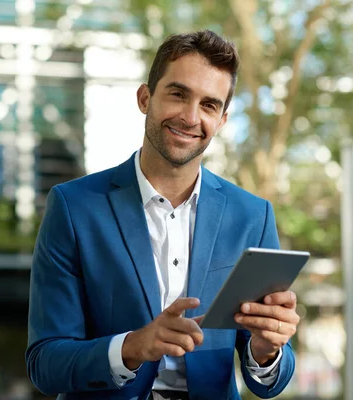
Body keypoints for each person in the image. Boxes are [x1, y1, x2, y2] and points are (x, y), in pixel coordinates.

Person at [25, 30, 300, 400]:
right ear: (145, 98)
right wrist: (133, 347)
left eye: (209, 105)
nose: (190, 116)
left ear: (221, 120)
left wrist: (266, 350)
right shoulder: (74, 207)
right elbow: (45, 363)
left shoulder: (253, 216)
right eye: (178, 94)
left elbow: (269, 381)